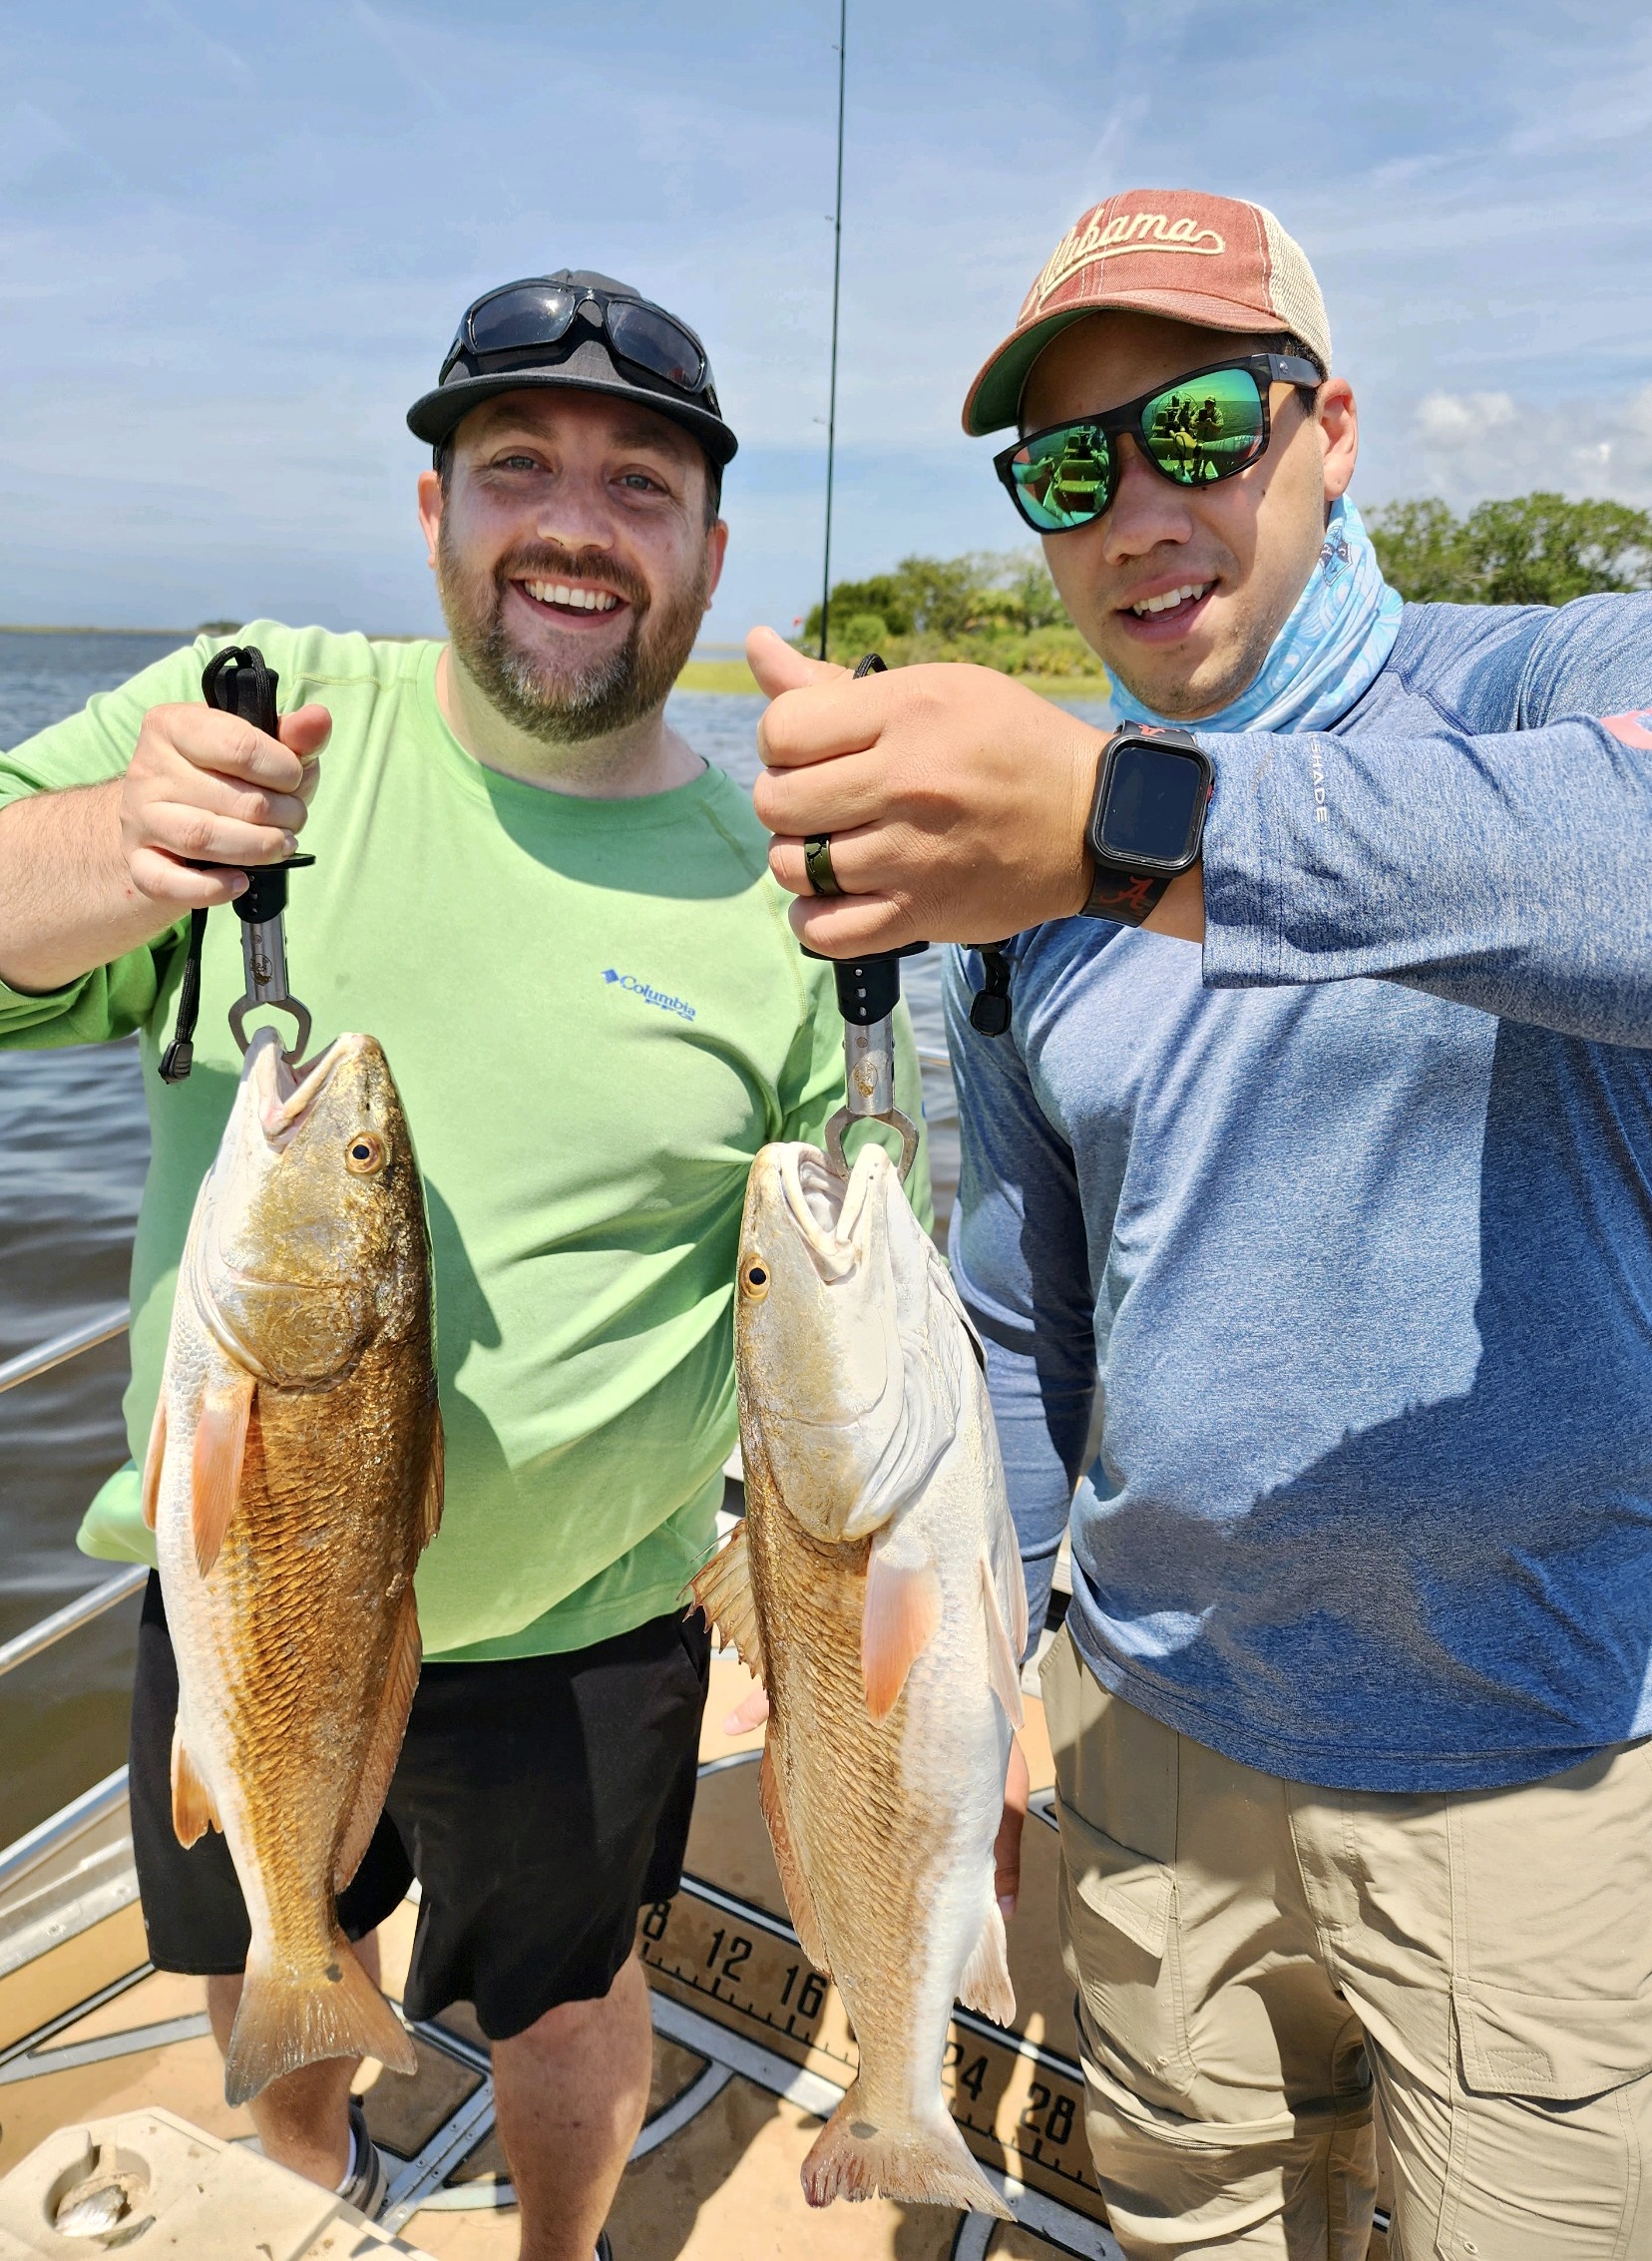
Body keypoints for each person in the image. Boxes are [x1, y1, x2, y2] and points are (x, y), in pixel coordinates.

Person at [747, 188, 1652, 2258]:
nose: (1139, 510)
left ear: (1331, 430)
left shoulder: (1537, 682)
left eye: (1201, 427)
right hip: (1147, 1753)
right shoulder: (1021, 891)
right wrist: (958, 1696)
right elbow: (1020, 1330)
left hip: (1532, 1764)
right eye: (1072, 468)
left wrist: (1127, 824)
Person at [0, 267, 927, 2261]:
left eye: (640, 483)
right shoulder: (259, 725)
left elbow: (851, 1300)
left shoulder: (782, 881)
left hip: (592, 1631)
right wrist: (117, 844)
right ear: (434, 510)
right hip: (251, 1584)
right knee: (280, 1943)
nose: (576, 524)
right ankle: (309, 2176)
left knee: (571, 2002)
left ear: (710, 551)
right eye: (519, 465)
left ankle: (556, 2245)